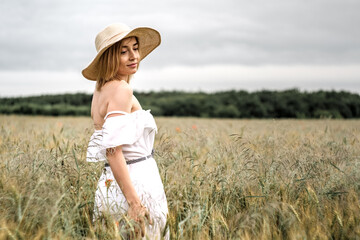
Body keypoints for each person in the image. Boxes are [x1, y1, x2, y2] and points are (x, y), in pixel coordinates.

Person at [82, 23, 169, 239]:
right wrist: (135, 203)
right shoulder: (121, 89)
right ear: (110, 57)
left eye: (135, 48)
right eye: (123, 51)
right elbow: (112, 150)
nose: (133, 56)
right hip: (133, 185)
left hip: (111, 184)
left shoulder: (101, 90)